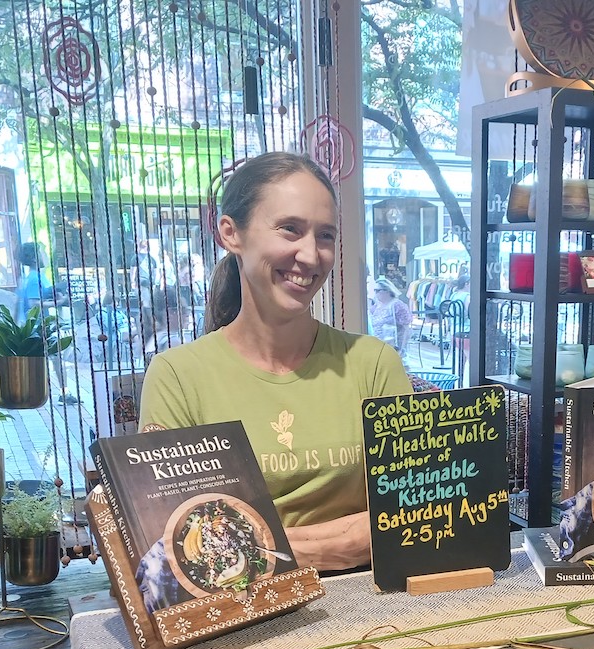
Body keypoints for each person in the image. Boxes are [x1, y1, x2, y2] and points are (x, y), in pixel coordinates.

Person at [138, 153, 412, 572]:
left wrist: (253, 543)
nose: (310, 254)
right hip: (243, 613)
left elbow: (417, 512)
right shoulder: (178, 377)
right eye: (290, 229)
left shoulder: (373, 364)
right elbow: (179, 549)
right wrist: (321, 548)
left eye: (325, 236)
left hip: (373, 604)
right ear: (231, 233)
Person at [368, 277, 412, 356]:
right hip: (377, 346)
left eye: (378, 291)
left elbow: (406, 328)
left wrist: (402, 349)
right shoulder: (376, 306)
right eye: (375, 290)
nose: (376, 293)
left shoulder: (397, 305)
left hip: (393, 348)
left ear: (388, 291)